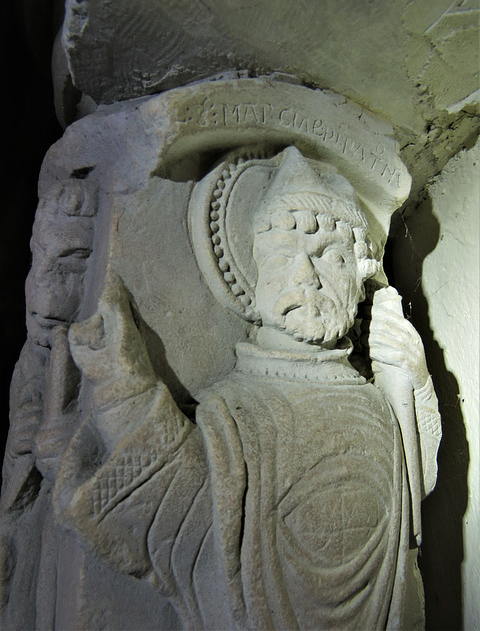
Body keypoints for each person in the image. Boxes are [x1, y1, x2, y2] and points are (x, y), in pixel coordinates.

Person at [54, 147, 441, 630]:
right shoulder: (236, 409)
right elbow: (189, 524)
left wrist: (417, 380)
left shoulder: (378, 400)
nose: (306, 277)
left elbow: (414, 494)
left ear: (360, 279)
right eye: (284, 256)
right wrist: (123, 387)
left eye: (331, 257)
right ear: (254, 277)